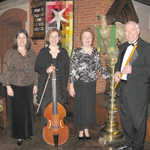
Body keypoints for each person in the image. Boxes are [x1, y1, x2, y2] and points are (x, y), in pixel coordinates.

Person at [114, 21, 150, 150]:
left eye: (132, 30)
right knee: (125, 120)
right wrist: (116, 72)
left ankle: (138, 147)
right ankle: (129, 144)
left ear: (138, 31)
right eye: (126, 31)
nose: (129, 33)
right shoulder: (123, 46)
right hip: (123, 88)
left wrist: (133, 70)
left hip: (138, 91)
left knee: (138, 122)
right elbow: (119, 64)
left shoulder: (147, 47)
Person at [69, 28, 109, 140]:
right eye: (85, 37)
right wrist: (71, 85)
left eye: (89, 37)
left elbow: (99, 66)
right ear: (81, 39)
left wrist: (108, 77)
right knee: (80, 106)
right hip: (79, 83)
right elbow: (73, 69)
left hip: (91, 84)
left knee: (89, 107)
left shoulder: (95, 51)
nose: (87, 39)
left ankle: (86, 128)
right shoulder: (76, 51)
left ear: (92, 39)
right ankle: (81, 130)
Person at [3, 29, 38, 145]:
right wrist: (7, 85)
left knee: (28, 111)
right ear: (16, 40)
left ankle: (27, 133)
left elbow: (35, 70)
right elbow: (5, 70)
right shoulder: (10, 53)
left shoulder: (32, 53)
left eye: (24, 37)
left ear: (27, 40)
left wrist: (36, 84)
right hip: (15, 86)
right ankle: (19, 135)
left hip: (28, 86)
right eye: (19, 38)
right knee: (18, 112)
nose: (22, 40)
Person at [35, 28, 70, 126]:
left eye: (56, 36)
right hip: (46, 86)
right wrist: (46, 70)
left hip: (59, 86)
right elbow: (37, 67)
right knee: (46, 108)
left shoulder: (63, 52)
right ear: (48, 38)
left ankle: (59, 129)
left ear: (59, 38)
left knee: (59, 108)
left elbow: (67, 70)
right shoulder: (43, 52)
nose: (54, 39)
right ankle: (47, 130)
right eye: (51, 36)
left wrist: (65, 85)